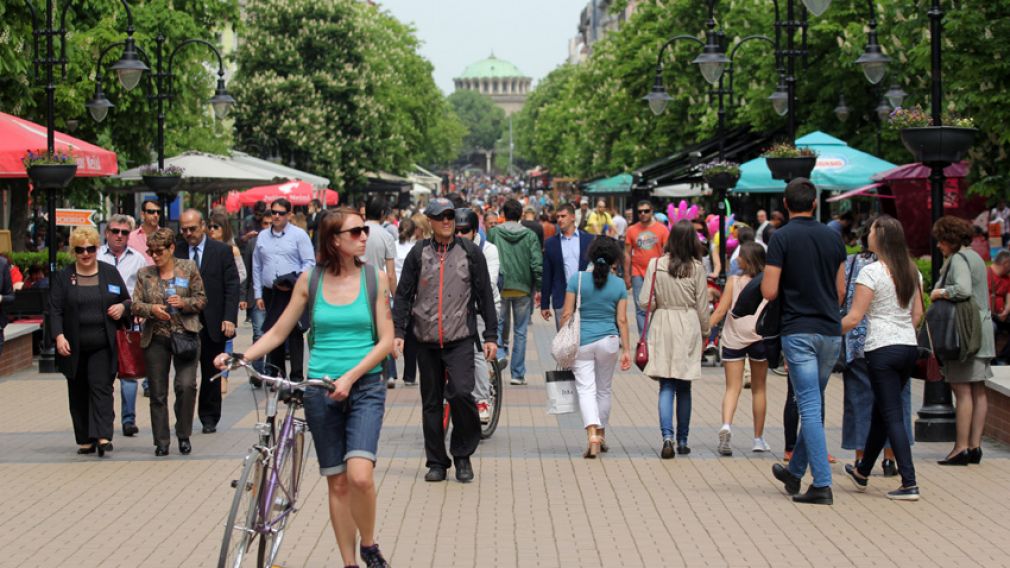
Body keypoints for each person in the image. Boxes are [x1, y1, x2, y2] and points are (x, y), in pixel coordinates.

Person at [216, 207, 393, 568]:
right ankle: (349, 563)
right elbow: (279, 331)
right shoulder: (309, 280)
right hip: (319, 389)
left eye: (364, 231)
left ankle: (369, 544)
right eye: (356, 232)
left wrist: (350, 377)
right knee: (338, 483)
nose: (364, 237)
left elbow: (386, 341)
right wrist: (240, 356)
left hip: (364, 387)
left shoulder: (374, 279)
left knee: (360, 475)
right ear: (334, 240)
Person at [392, 197, 498, 483]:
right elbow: (403, 295)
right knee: (431, 404)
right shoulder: (418, 253)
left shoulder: (470, 252)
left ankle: (462, 454)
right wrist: (398, 333)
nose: (448, 221)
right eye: (441, 217)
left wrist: (490, 335)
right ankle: (437, 462)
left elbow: (485, 295)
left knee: (463, 394)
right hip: (425, 340)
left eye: (451, 216)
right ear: (430, 221)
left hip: (460, 337)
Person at [762, 178, 847, 506]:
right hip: (830, 331)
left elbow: (769, 291)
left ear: (786, 204)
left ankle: (822, 484)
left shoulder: (781, 238)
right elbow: (840, 291)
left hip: (798, 331)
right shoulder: (833, 238)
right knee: (813, 402)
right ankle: (795, 472)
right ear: (815, 203)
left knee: (809, 406)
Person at [838, 216, 923, 501]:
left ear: (881, 237)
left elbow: (854, 317)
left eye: (871, 230)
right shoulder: (911, 271)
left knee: (892, 414)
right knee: (882, 412)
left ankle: (909, 481)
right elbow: (917, 315)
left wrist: (826, 330)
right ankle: (862, 471)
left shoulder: (871, 272)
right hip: (907, 346)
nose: (868, 235)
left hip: (881, 348)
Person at [52, 227, 131, 457]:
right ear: (73, 251)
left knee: (101, 388)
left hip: (102, 344)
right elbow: (54, 310)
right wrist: (58, 336)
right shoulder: (64, 276)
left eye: (90, 249)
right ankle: (85, 438)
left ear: (97, 248)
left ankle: (103, 436)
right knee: (78, 390)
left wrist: (122, 307)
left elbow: (127, 299)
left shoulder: (109, 273)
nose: (85, 254)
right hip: (73, 345)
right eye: (80, 250)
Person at [132, 228, 207, 456]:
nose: (155, 256)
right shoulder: (145, 274)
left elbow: (201, 299)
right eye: (151, 251)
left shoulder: (188, 268)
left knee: (186, 386)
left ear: (171, 248)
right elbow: (134, 304)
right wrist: (152, 309)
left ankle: (183, 434)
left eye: (159, 251)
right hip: (157, 337)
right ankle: (161, 441)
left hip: (185, 334)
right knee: (157, 392)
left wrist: (184, 303)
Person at [640, 221, 710, 458]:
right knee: (685, 384)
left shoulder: (656, 264)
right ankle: (682, 439)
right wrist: (706, 331)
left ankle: (666, 436)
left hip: (662, 322)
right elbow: (702, 305)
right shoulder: (697, 268)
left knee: (666, 384)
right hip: (688, 322)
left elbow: (642, 301)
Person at [931, 215, 994, 466]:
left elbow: (963, 290)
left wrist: (940, 292)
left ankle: (961, 447)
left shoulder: (958, 259)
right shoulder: (976, 256)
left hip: (966, 334)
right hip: (982, 331)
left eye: (941, 241)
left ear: (950, 240)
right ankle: (975, 446)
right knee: (978, 389)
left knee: (962, 389)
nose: (938, 246)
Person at [561, 237, 631, 458]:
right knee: (604, 389)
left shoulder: (577, 279)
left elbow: (566, 314)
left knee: (586, 390)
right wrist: (627, 349)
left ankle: (591, 432)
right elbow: (622, 320)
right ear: (614, 260)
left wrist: (563, 338)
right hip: (609, 341)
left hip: (582, 341)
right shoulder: (619, 285)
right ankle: (601, 433)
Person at [176, 209, 239, 434]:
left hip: (213, 321)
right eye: (184, 229)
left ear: (203, 225)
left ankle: (209, 417)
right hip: (184, 322)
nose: (188, 233)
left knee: (211, 371)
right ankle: (182, 418)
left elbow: (232, 286)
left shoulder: (221, 251)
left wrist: (229, 318)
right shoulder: (176, 250)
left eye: (192, 228)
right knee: (185, 376)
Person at [710, 242, 771, 455]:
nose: (736, 259)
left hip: (734, 337)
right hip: (759, 337)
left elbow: (720, 312)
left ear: (747, 260)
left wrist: (705, 329)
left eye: (740, 256)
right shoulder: (767, 282)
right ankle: (758, 438)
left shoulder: (733, 282)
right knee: (759, 388)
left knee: (732, 388)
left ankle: (726, 425)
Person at [252, 198, 316, 382]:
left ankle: (296, 378)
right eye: (273, 212)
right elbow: (256, 266)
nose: (276, 216)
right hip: (270, 291)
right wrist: (257, 294)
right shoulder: (262, 236)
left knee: (295, 333)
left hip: (292, 290)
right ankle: (278, 376)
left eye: (280, 213)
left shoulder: (299, 235)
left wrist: (294, 280)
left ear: (289, 215)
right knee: (273, 332)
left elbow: (309, 262)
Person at [99, 214, 151, 438]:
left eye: (124, 232)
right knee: (103, 375)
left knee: (128, 373)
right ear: (107, 233)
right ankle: (105, 420)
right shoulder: (97, 255)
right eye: (115, 231)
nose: (119, 236)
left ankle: (128, 420)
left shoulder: (138, 258)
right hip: (100, 321)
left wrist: (137, 310)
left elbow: (143, 290)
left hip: (128, 321)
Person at [488, 198, 542, 386]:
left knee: (498, 325)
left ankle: (501, 354)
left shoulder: (494, 233)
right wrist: (540, 287)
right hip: (523, 287)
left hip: (500, 286)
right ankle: (517, 374)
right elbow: (536, 263)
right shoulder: (529, 235)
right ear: (520, 215)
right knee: (520, 331)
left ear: (503, 214)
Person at [455, 208, 501, 423]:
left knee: (477, 349)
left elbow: (488, 283)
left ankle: (482, 400)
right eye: (457, 231)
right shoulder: (447, 248)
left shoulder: (489, 250)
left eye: (464, 231)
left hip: (483, 306)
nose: (460, 235)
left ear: (474, 231)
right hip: (454, 306)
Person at [363, 197, 399, 388]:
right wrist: (397, 298)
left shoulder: (356, 232)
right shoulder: (386, 236)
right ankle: (389, 373)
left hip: (356, 290)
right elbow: (391, 274)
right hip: (380, 290)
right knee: (385, 333)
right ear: (383, 214)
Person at [542, 203, 593, 330]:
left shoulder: (588, 240)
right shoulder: (550, 243)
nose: (559, 219)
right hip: (561, 298)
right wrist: (544, 304)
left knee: (584, 340)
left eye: (563, 216)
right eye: (557, 217)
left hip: (586, 298)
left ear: (572, 217)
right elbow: (547, 275)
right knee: (563, 341)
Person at [624, 200, 670, 334]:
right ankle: (644, 340)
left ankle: (656, 335)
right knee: (640, 307)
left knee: (658, 306)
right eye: (640, 212)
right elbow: (626, 254)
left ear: (652, 211)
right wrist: (627, 275)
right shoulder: (631, 230)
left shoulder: (662, 229)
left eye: (646, 211)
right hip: (637, 272)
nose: (643, 214)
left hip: (658, 272)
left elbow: (668, 252)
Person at [987, 250, 1010, 364]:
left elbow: (1009, 296)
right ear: (1006, 263)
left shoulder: (1007, 278)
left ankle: (1003, 357)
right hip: (988, 314)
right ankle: (992, 359)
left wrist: (1006, 311)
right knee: (992, 327)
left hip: (1002, 314)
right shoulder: (986, 273)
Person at [128, 199, 162, 264]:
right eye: (151, 212)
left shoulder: (165, 236)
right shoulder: (131, 238)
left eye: (158, 212)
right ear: (142, 214)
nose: (156, 215)